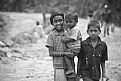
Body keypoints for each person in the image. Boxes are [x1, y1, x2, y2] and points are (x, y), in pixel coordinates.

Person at [45, 10, 77, 81]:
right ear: (52, 23)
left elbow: (75, 45)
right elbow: (51, 53)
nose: (58, 23)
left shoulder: (69, 32)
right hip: (58, 66)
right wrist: (63, 53)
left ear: (64, 20)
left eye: (60, 20)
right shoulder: (51, 35)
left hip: (70, 65)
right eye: (55, 21)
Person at [61, 11, 82, 76]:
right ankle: (72, 69)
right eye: (66, 22)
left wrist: (65, 40)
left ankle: (70, 68)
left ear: (76, 22)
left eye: (70, 22)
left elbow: (73, 38)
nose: (68, 23)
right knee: (68, 56)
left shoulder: (75, 29)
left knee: (65, 54)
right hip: (73, 47)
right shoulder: (70, 28)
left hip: (75, 48)